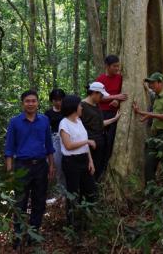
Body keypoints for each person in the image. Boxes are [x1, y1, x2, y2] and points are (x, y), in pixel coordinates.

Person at [5, 90, 55, 249]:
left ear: (38, 103)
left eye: (34, 101)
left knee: (39, 202)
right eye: (27, 101)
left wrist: (51, 165)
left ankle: (34, 234)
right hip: (22, 166)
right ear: (22, 103)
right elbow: (9, 147)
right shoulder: (15, 122)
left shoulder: (44, 120)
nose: (31, 103)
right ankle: (18, 236)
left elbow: (49, 145)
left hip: (41, 165)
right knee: (20, 202)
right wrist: (10, 170)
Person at [59, 95, 97, 230]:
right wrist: (87, 141)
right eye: (80, 105)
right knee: (73, 193)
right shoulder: (64, 123)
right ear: (73, 107)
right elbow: (68, 145)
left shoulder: (79, 121)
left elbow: (85, 146)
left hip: (84, 160)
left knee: (90, 190)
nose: (81, 107)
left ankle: (88, 221)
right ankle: (72, 224)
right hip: (71, 162)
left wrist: (90, 161)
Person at [132, 72, 163, 184]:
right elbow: (157, 113)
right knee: (149, 165)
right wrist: (144, 114)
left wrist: (148, 114)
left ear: (160, 82)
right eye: (150, 83)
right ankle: (151, 193)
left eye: (153, 83)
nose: (151, 85)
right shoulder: (157, 97)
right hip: (155, 136)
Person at [81, 82, 121, 182]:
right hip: (90, 144)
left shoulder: (96, 105)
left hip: (100, 142)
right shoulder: (81, 106)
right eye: (101, 95)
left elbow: (100, 123)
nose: (102, 97)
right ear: (94, 93)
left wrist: (114, 119)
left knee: (99, 168)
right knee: (89, 170)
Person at [96, 55, 128, 161]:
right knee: (101, 139)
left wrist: (117, 100)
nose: (117, 68)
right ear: (107, 66)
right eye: (114, 66)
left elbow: (123, 94)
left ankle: (108, 162)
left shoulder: (120, 78)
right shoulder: (100, 80)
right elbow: (98, 97)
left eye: (118, 66)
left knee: (111, 139)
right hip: (102, 113)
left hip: (115, 114)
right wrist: (115, 97)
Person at [45, 88, 66, 187]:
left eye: (60, 99)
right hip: (55, 139)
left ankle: (64, 193)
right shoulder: (48, 113)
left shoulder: (68, 111)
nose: (58, 102)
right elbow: (46, 129)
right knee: (57, 164)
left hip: (68, 139)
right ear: (51, 100)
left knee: (66, 166)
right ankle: (57, 190)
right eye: (55, 100)